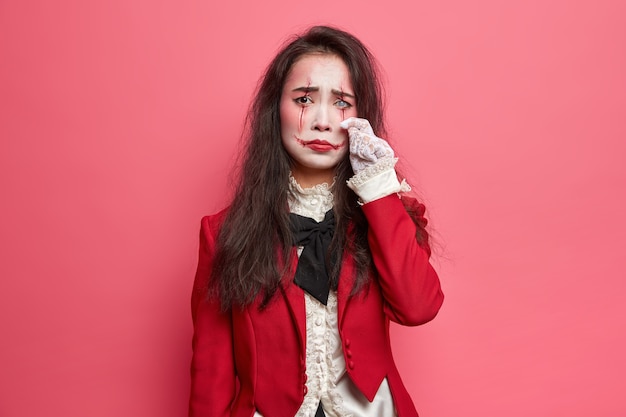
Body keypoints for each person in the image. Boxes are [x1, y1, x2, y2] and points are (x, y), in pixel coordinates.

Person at [189, 25, 444, 417]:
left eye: (342, 103)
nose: (323, 121)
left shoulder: (389, 213)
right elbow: (211, 374)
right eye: (305, 99)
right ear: (276, 109)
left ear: (362, 117)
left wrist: (377, 189)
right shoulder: (223, 234)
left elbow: (418, 308)